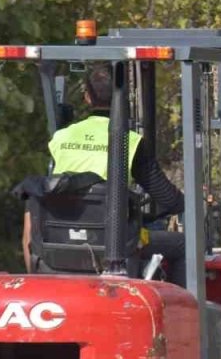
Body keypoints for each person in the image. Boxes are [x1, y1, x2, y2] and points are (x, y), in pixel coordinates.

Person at [24, 64, 187, 282]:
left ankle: (35, 281)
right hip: (112, 246)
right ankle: (184, 311)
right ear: (124, 98)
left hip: (59, 240)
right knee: (182, 244)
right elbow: (170, 200)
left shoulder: (61, 137)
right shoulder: (129, 142)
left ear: (87, 98)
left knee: (31, 212)